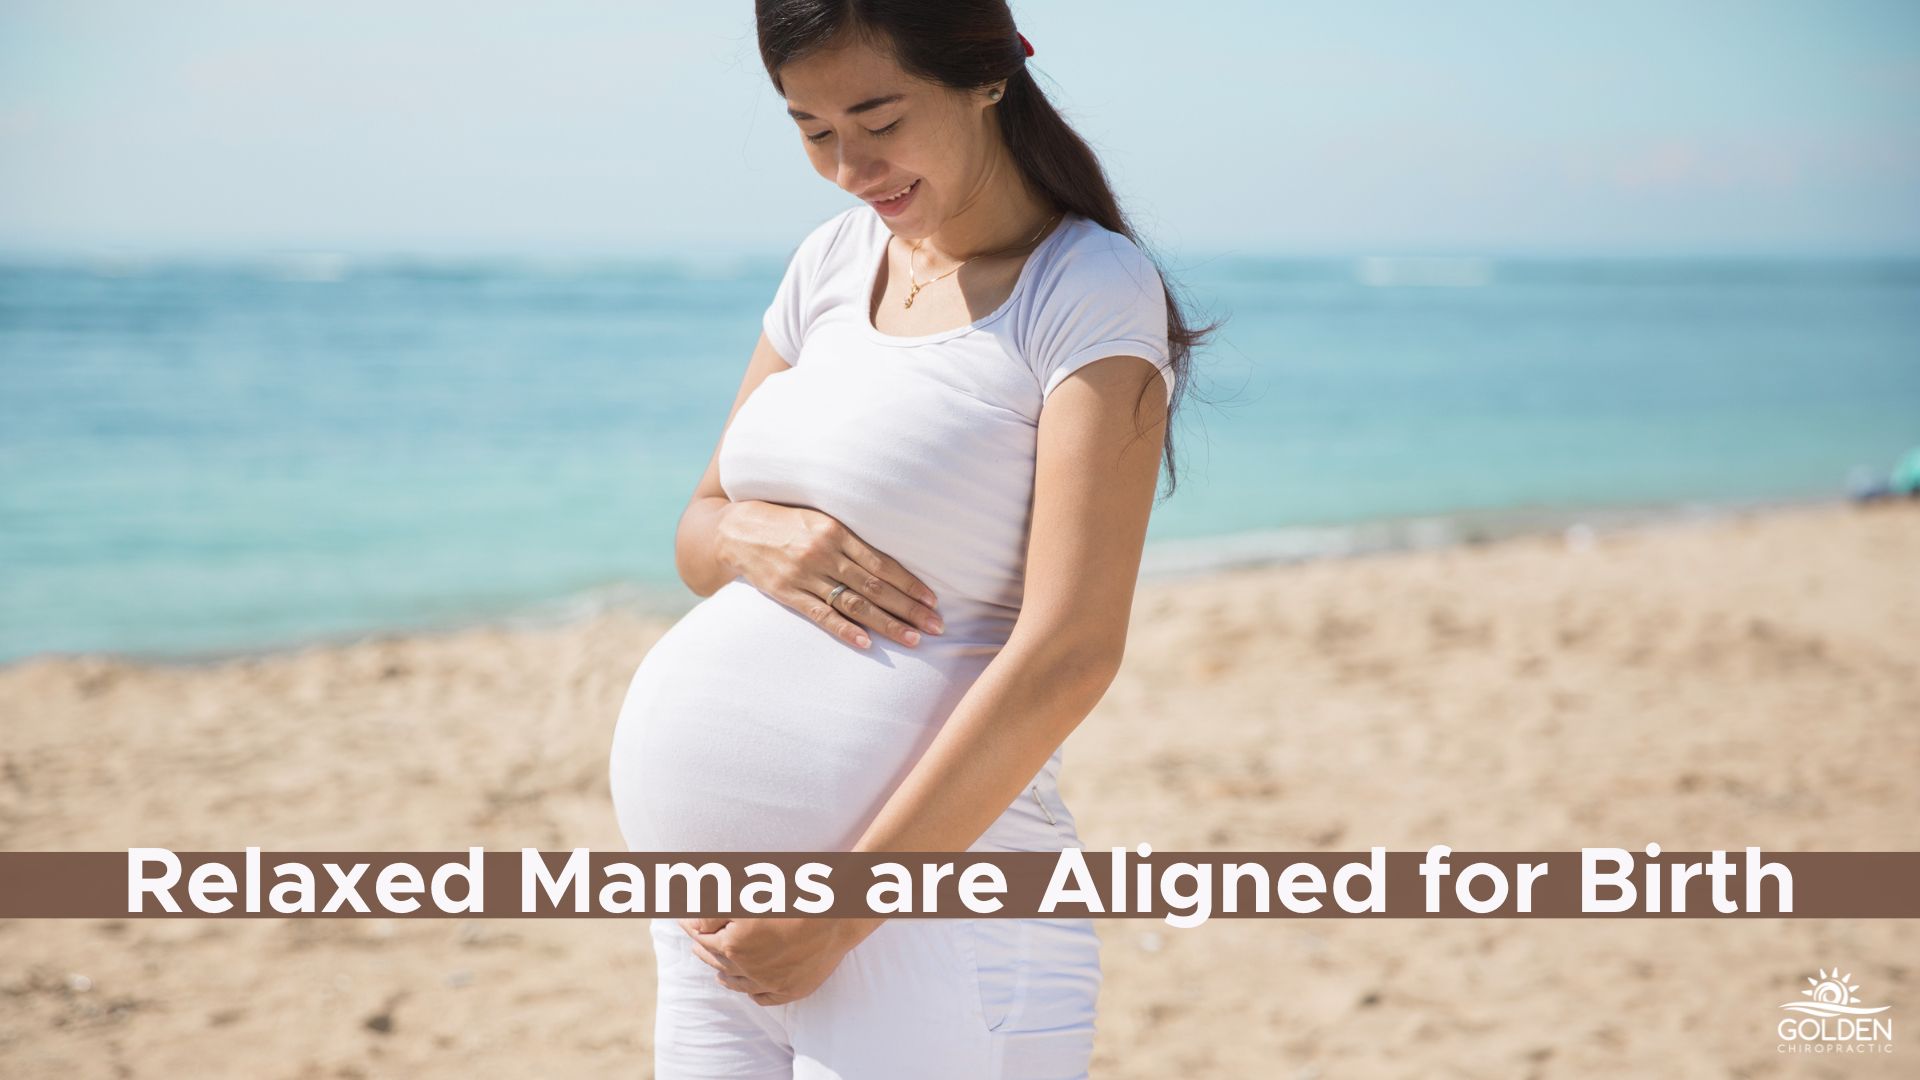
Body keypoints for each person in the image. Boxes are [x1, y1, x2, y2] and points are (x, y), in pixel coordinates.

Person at [609, 4, 1218, 1076]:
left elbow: (1073, 645)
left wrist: (845, 911)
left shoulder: (1085, 289)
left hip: (925, 927)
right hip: (714, 933)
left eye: (877, 118)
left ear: (986, 77)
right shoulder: (834, 264)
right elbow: (698, 532)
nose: (849, 167)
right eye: (810, 130)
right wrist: (758, 538)